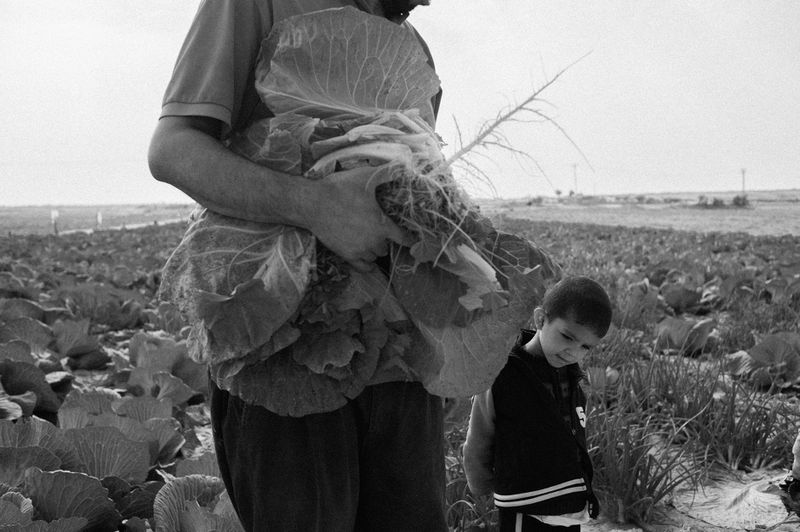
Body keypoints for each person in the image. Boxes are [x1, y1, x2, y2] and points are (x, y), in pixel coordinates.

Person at [147, 1, 446, 531]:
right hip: (281, 354)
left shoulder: (411, 47)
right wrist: (317, 206)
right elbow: (173, 149)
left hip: (400, 358)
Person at [462, 276, 613, 531]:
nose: (572, 352)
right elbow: (479, 438)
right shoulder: (503, 374)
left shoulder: (573, 378)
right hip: (524, 503)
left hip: (569, 503)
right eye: (567, 337)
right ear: (541, 319)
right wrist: (483, 485)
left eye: (585, 347)